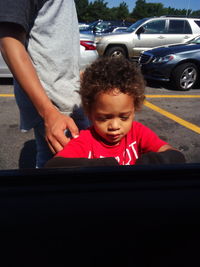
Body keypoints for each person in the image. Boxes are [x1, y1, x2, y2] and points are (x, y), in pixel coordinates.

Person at [45, 57, 185, 168]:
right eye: (104, 118)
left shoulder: (138, 133)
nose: (114, 126)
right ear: (89, 111)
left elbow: (176, 156)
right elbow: (54, 166)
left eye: (124, 117)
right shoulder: (86, 141)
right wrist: (106, 166)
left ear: (134, 110)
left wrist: (146, 162)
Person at [0, 0, 89, 168]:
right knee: (66, 170)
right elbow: (9, 40)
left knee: (54, 165)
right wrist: (48, 112)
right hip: (54, 103)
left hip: (69, 97)